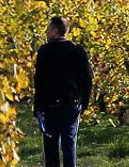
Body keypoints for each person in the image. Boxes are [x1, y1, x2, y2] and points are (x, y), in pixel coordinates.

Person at [33, 15, 92, 167]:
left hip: (49, 106)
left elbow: (38, 81)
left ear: (55, 31)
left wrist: (37, 107)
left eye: (48, 29)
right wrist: (84, 103)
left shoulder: (44, 51)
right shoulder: (78, 51)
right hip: (71, 105)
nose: (46, 32)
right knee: (69, 144)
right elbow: (87, 79)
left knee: (51, 147)